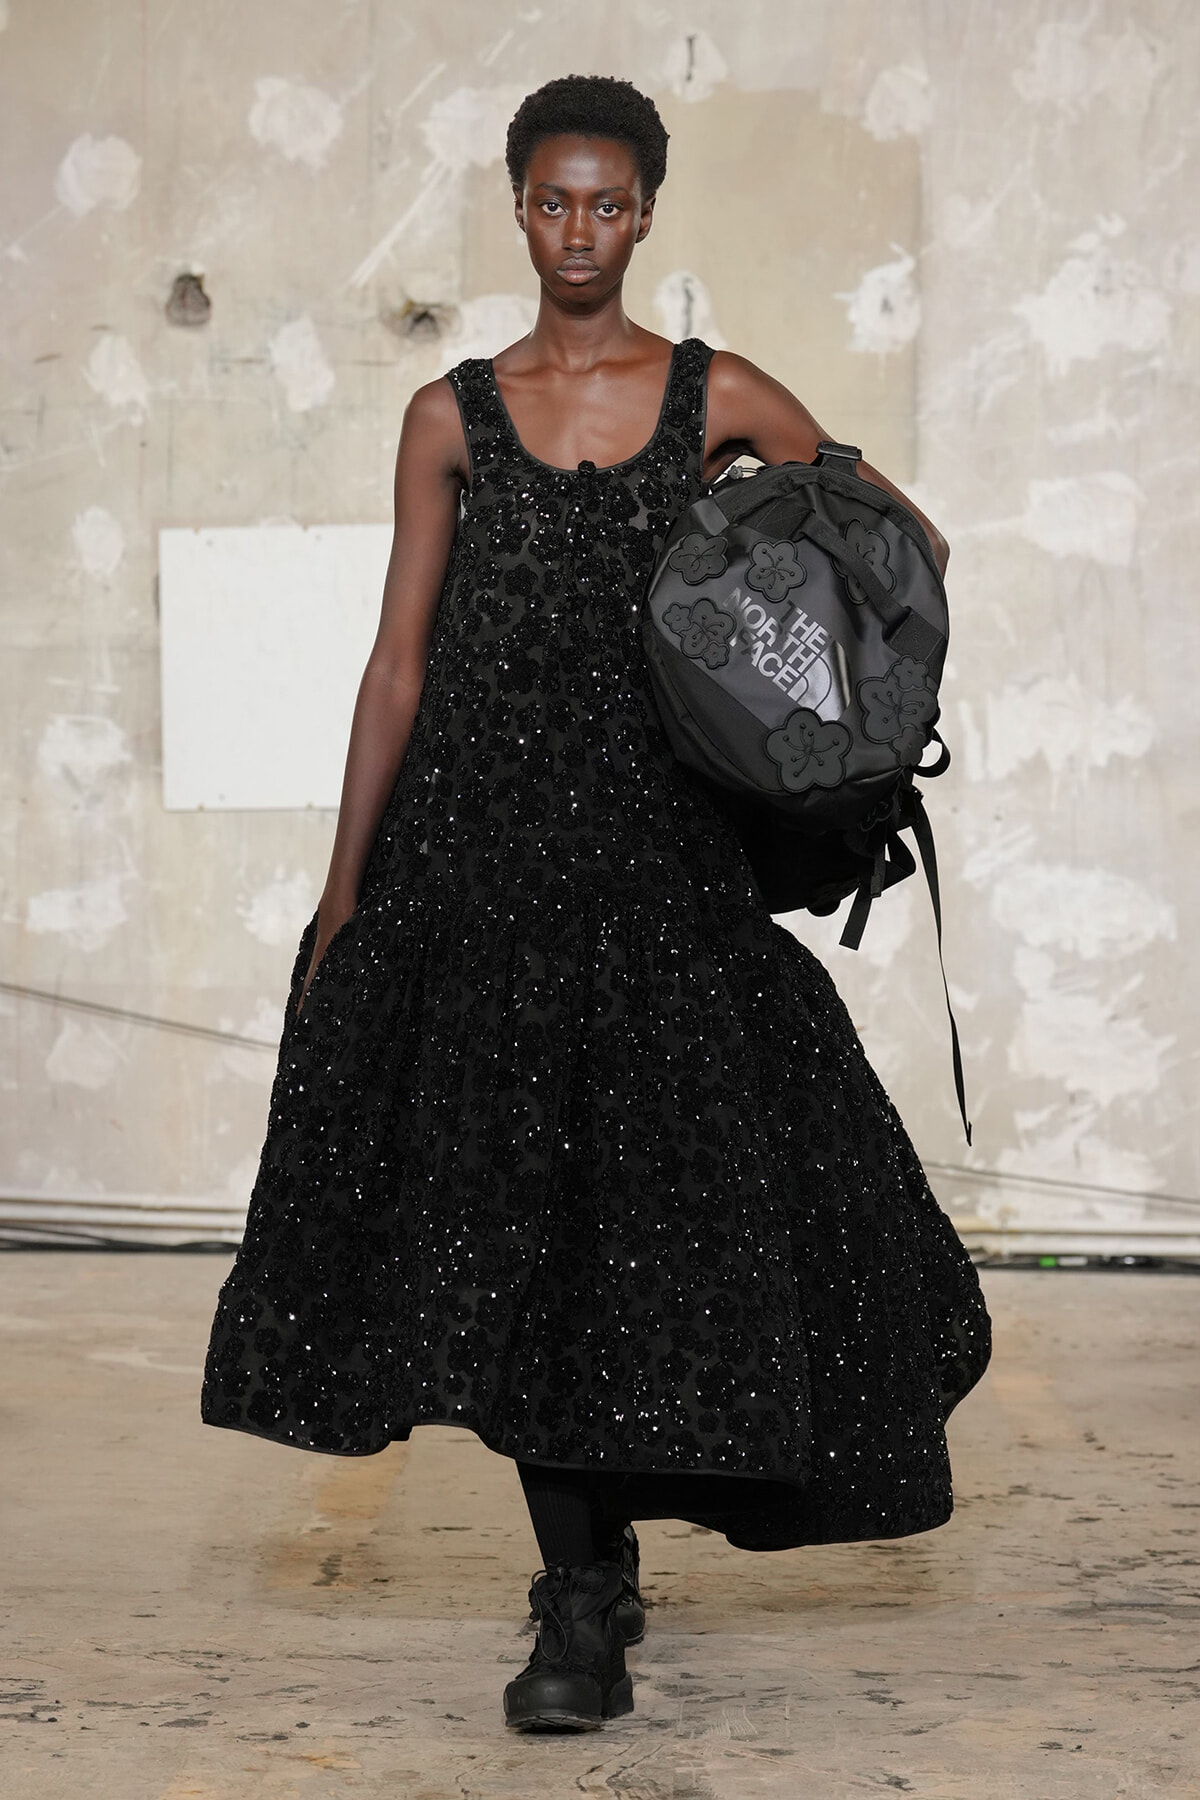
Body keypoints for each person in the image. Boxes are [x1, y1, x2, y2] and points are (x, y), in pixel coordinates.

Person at [201, 72, 991, 1735]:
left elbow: (894, 540)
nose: (580, 231)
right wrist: (348, 885)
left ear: (646, 214)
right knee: (516, 1225)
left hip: (656, 864)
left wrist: (798, 690)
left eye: (608, 205)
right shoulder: (450, 415)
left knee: (647, 1223)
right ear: (517, 209)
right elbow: (400, 658)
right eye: (553, 203)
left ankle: (608, 1548)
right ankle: (576, 1597)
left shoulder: (713, 393)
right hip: (478, 865)